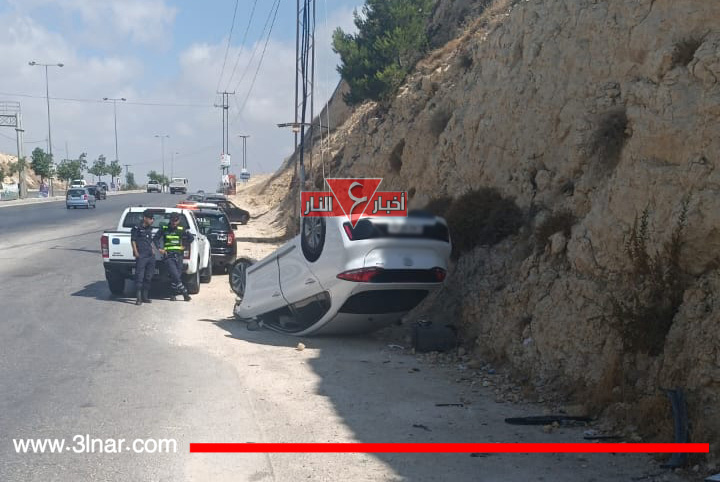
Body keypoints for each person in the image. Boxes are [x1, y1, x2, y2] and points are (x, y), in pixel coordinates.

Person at [154, 212, 194, 301]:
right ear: (170, 220)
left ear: (178, 220)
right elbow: (155, 238)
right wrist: (159, 249)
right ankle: (185, 294)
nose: (174, 223)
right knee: (175, 275)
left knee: (177, 276)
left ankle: (172, 294)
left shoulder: (181, 228)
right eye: (172, 220)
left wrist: (185, 246)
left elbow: (191, 238)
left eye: (176, 221)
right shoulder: (164, 228)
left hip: (179, 255)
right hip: (168, 256)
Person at [131, 210, 157, 306]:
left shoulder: (150, 228)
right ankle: (138, 298)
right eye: (151, 218)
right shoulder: (137, 228)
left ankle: (145, 297)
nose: (152, 220)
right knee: (139, 276)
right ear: (145, 218)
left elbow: (149, 240)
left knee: (148, 276)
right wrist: (136, 252)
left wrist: (153, 249)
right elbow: (133, 240)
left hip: (150, 255)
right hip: (141, 255)